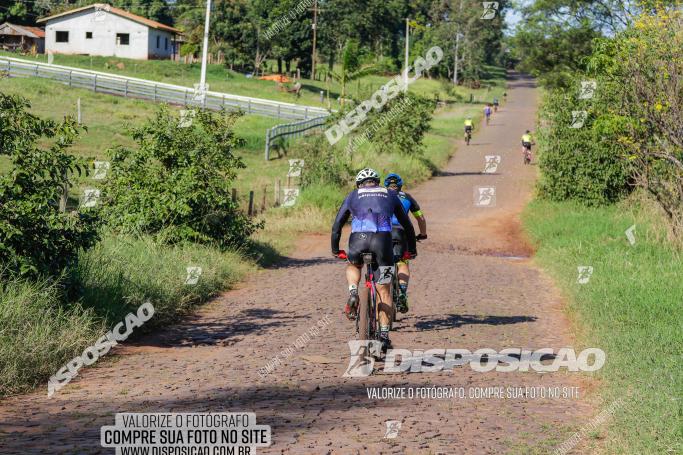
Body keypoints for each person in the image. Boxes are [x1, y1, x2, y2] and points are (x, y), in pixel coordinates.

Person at [331, 168, 417, 350]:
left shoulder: (353, 195)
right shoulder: (390, 194)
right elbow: (407, 225)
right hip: (383, 242)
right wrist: (412, 250)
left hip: (358, 240)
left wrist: (335, 249)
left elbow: (337, 225)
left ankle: (353, 291)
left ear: (359, 184)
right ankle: (384, 336)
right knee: (384, 290)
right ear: (377, 182)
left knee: (353, 264)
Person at [383, 173, 427, 314]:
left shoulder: (381, 197)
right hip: (402, 232)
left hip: (383, 232)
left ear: (386, 186)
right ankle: (402, 291)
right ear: (400, 186)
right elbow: (420, 217)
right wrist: (423, 234)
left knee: (384, 262)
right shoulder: (407, 197)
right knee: (402, 262)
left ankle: (384, 292)